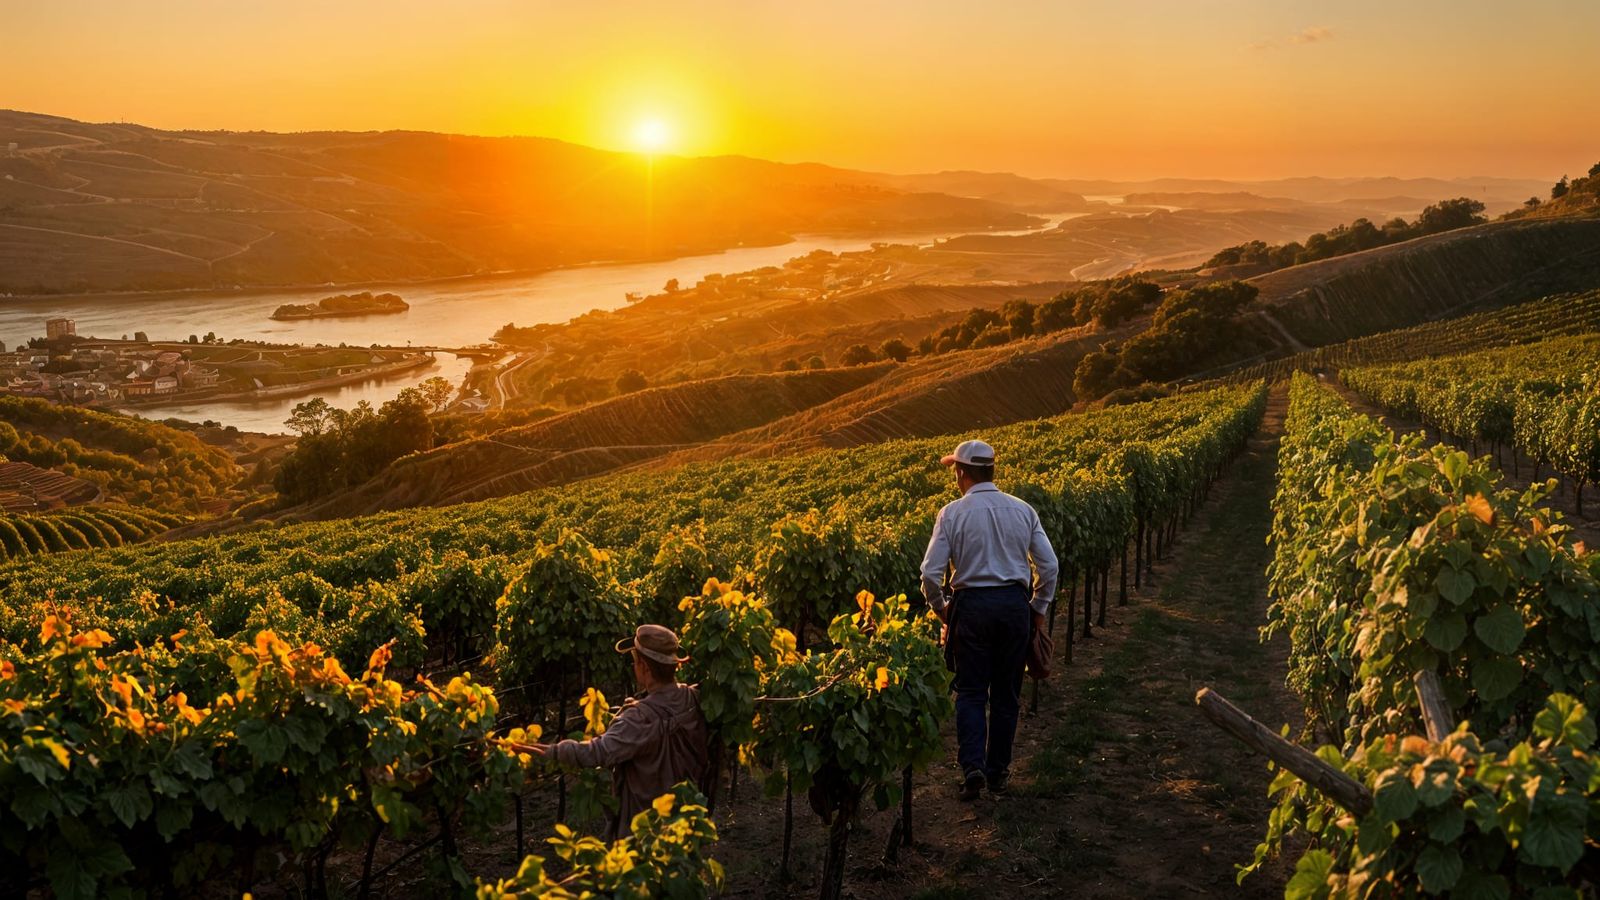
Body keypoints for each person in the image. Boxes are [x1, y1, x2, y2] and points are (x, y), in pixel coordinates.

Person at [920, 439, 1059, 801]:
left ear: (961, 473)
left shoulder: (951, 513)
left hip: (971, 608)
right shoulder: (1023, 510)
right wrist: (1038, 609)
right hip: (1014, 608)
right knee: (1006, 694)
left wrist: (941, 608)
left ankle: (973, 769)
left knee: (970, 692)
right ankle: (997, 772)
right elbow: (1049, 567)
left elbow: (930, 574)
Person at [515, 624, 711, 838]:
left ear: (645, 667)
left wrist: (551, 751)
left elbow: (596, 753)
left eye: (635, 661)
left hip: (646, 831)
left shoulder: (637, 719)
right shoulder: (693, 697)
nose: (634, 666)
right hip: (685, 819)